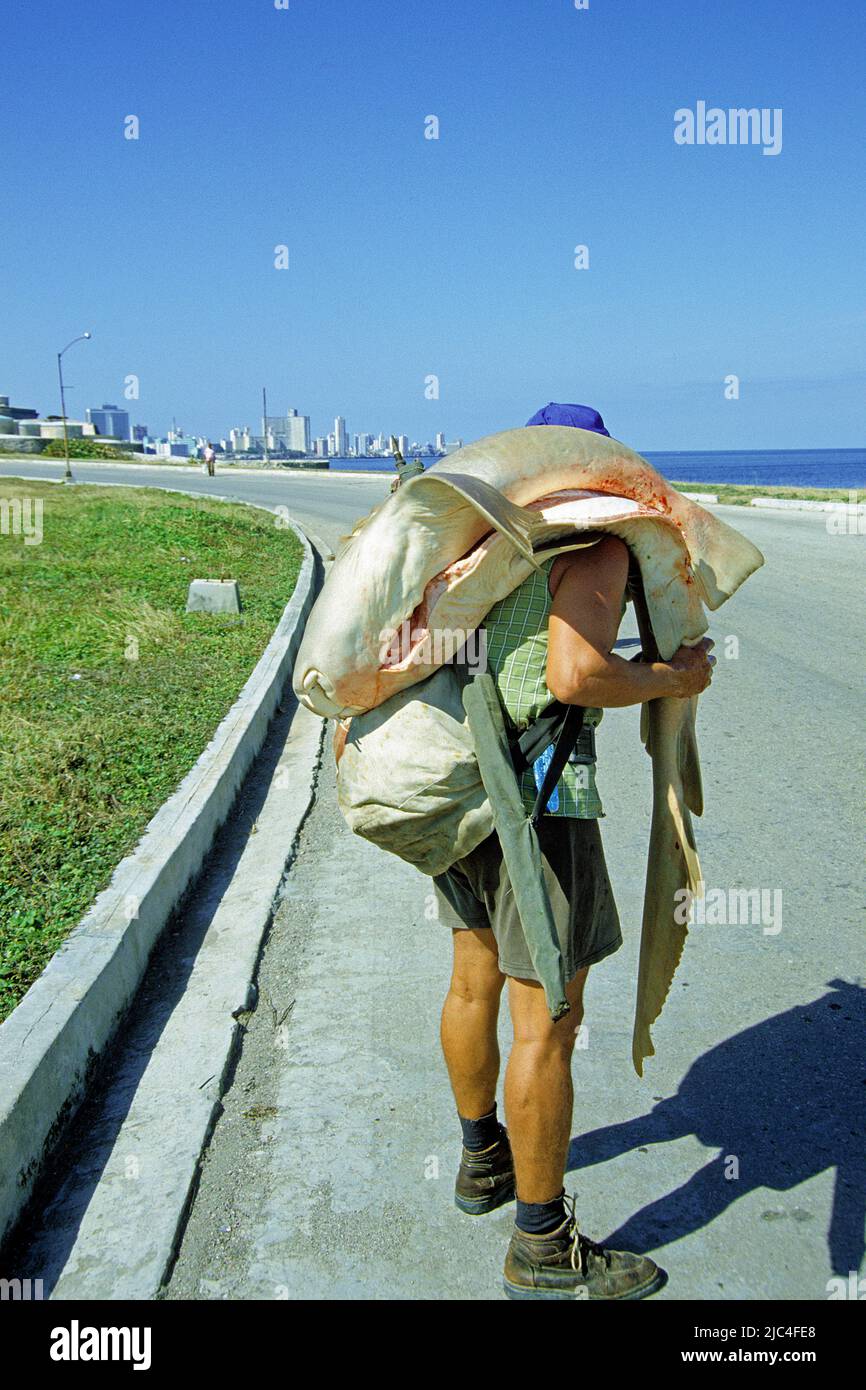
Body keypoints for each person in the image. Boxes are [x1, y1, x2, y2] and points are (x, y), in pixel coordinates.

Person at [432, 402, 715, 1299]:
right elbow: (573, 673)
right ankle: (543, 1245)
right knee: (546, 1024)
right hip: (539, 806)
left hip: (458, 788)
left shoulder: (484, 541)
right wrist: (673, 674)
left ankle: (484, 1160)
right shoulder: (596, 546)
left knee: (471, 983)